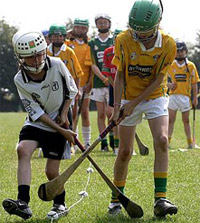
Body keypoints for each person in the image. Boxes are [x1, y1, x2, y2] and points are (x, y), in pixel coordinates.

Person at [108, 0, 178, 218]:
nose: (139, 35)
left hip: (154, 95)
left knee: (162, 140)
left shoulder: (168, 44)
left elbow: (158, 79)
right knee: (125, 151)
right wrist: (118, 106)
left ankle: (161, 199)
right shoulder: (123, 39)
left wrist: (134, 104)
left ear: (158, 23)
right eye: (136, 31)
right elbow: (120, 75)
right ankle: (116, 200)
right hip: (128, 95)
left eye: (145, 31)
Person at [2, 30, 78, 220]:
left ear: (45, 51)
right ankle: (23, 202)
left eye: (40, 54)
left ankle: (60, 204)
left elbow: (72, 90)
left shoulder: (58, 65)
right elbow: (36, 112)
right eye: (31, 57)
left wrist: (63, 115)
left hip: (61, 117)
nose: (36, 60)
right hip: (38, 121)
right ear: (21, 58)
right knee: (22, 149)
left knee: (51, 171)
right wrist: (63, 131)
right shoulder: (19, 79)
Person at [47, 24, 84, 131]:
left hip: (67, 89)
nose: (58, 38)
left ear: (64, 37)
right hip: (50, 88)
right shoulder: (46, 52)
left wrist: (77, 90)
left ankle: (71, 142)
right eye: (55, 36)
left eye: (60, 36)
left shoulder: (69, 52)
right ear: (50, 37)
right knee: (49, 115)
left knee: (69, 115)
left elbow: (77, 73)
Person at [66, 18, 92, 148]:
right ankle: (73, 143)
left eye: (83, 28)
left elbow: (91, 66)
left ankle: (87, 142)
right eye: (77, 27)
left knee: (85, 112)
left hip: (84, 83)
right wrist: (67, 33)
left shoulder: (89, 44)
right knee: (72, 113)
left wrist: (89, 83)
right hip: (69, 83)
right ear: (73, 28)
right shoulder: (67, 42)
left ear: (86, 29)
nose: (80, 30)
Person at [89, 14, 114, 152]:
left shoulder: (114, 40)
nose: (102, 25)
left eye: (105, 22)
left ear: (109, 24)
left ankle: (112, 138)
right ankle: (103, 142)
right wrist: (103, 78)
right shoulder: (92, 42)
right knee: (101, 114)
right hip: (99, 82)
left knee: (111, 113)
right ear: (96, 25)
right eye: (100, 23)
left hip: (113, 83)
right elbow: (93, 64)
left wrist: (109, 78)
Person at [168, 40, 199, 149]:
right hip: (173, 96)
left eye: (182, 51)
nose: (180, 53)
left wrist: (195, 98)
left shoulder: (190, 65)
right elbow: (161, 78)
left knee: (186, 121)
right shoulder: (171, 64)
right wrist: (168, 84)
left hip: (185, 97)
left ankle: (190, 143)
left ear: (185, 51)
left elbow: (195, 83)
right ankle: (167, 142)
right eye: (177, 51)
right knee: (170, 120)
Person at [102, 29, 122, 155]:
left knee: (127, 118)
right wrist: (115, 86)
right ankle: (116, 146)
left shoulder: (129, 51)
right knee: (114, 115)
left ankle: (125, 144)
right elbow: (108, 72)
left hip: (128, 88)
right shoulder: (108, 52)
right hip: (113, 86)